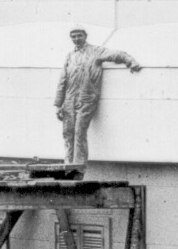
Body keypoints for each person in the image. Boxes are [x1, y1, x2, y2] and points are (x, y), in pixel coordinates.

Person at [55, 27, 141, 168]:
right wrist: (58, 104)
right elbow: (62, 80)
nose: (76, 39)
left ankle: (78, 166)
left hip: (86, 98)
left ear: (85, 36)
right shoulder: (70, 56)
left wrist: (131, 61)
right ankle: (67, 165)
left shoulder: (96, 51)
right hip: (69, 100)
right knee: (67, 133)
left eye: (79, 36)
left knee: (79, 132)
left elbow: (117, 54)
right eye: (73, 37)